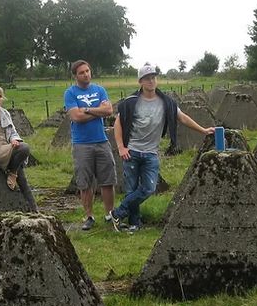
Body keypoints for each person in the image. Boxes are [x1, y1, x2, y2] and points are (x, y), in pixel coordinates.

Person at [111, 64, 215, 233]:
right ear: (141, 82)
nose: (151, 81)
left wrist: (203, 130)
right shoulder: (130, 102)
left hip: (151, 153)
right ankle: (134, 224)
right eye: (147, 78)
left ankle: (117, 213)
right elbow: (118, 125)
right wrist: (121, 147)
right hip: (132, 151)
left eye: (153, 77)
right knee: (131, 189)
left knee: (148, 188)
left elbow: (183, 118)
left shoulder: (167, 102)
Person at [64, 60, 115, 230]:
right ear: (75, 76)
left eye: (87, 71)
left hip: (101, 141)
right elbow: (76, 117)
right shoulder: (70, 93)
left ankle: (110, 214)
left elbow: (109, 111)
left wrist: (86, 109)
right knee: (85, 183)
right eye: (81, 72)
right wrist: (96, 110)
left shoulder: (100, 90)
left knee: (107, 181)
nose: (86, 74)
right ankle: (89, 216)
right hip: (82, 144)